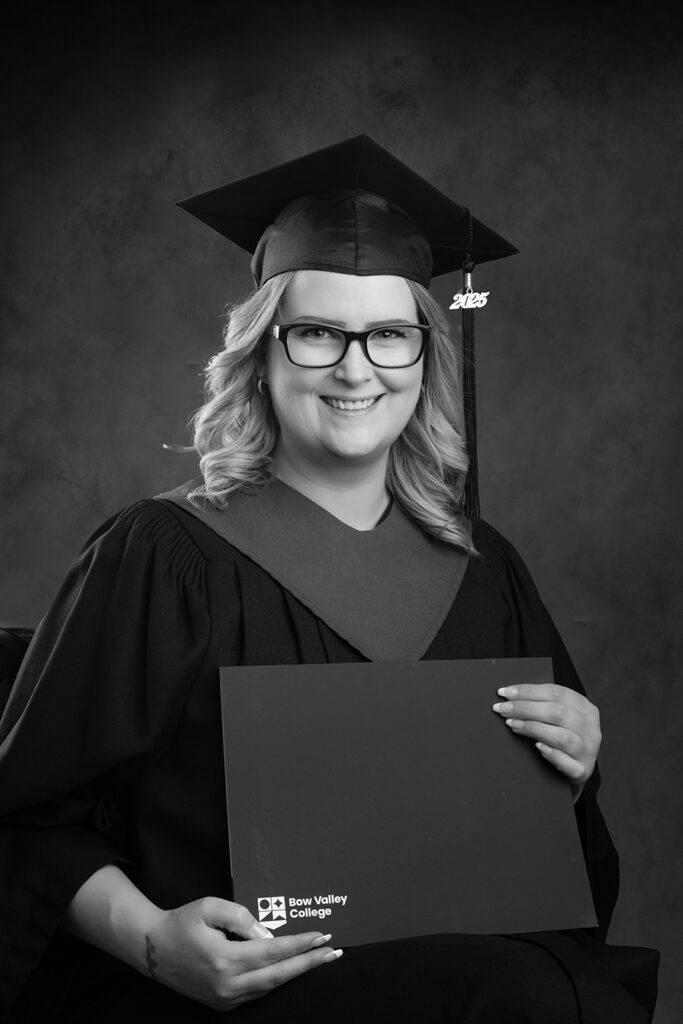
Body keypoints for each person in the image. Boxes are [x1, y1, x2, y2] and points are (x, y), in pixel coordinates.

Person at [0, 136, 658, 1022]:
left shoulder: (482, 565)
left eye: (389, 335)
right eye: (315, 333)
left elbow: (543, 864)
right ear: (261, 357)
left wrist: (568, 770)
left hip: (467, 978)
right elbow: (26, 822)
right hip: (242, 995)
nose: (356, 368)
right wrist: (156, 944)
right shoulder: (164, 555)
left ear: (425, 357)